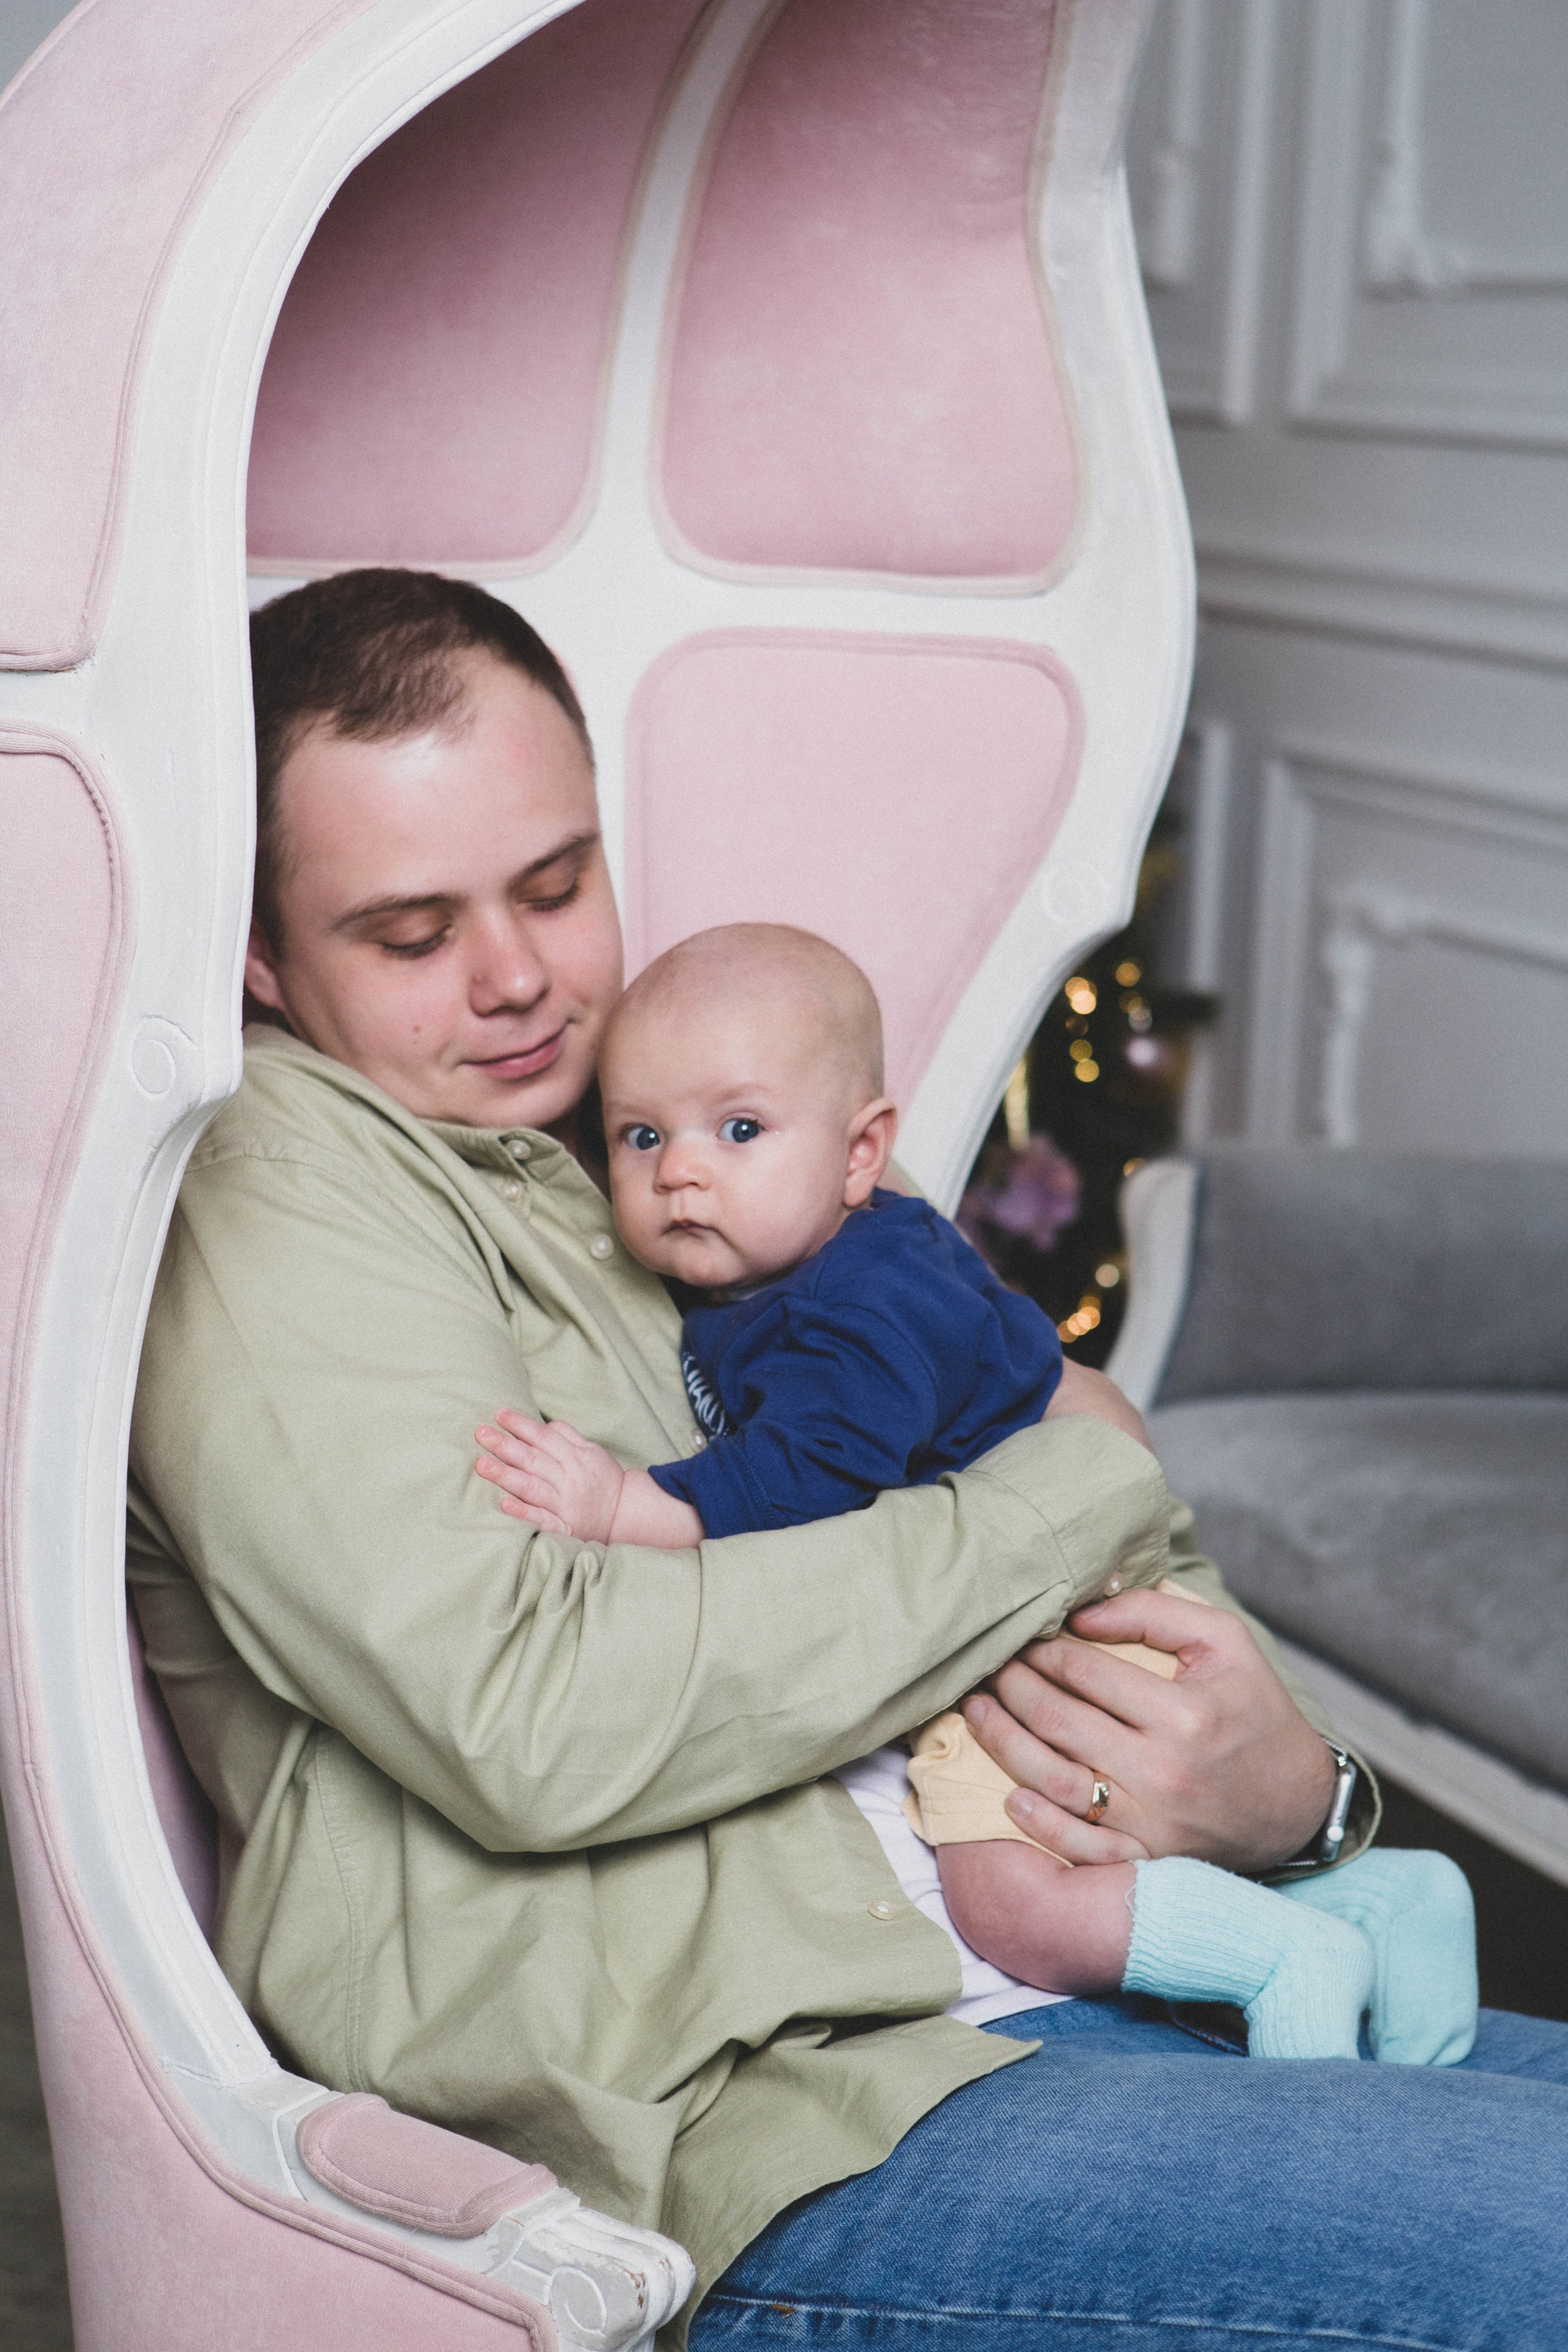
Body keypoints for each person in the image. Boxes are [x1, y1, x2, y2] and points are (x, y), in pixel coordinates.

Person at [127, 571, 1568, 2352]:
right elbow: (532, 1712)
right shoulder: (279, 1183)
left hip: (1040, 1969)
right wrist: (1076, 1484)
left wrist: (1300, 1798)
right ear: (265, 957)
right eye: (412, 935)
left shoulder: (671, 1104)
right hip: (776, 2110)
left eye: (559, 886)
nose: (517, 980)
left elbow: (979, 1424)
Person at [472, 922, 1477, 2068]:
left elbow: (805, 1482)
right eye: (641, 1136)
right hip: (1043, 1585)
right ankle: (1377, 1901)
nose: (680, 1172)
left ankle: (1283, 1964)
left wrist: (619, 1505)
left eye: (739, 1129)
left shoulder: (858, 1310)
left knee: (1012, 1904)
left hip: (1041, 1624)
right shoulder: (835, 1255)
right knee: (1107, 1858)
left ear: (862, 1154)